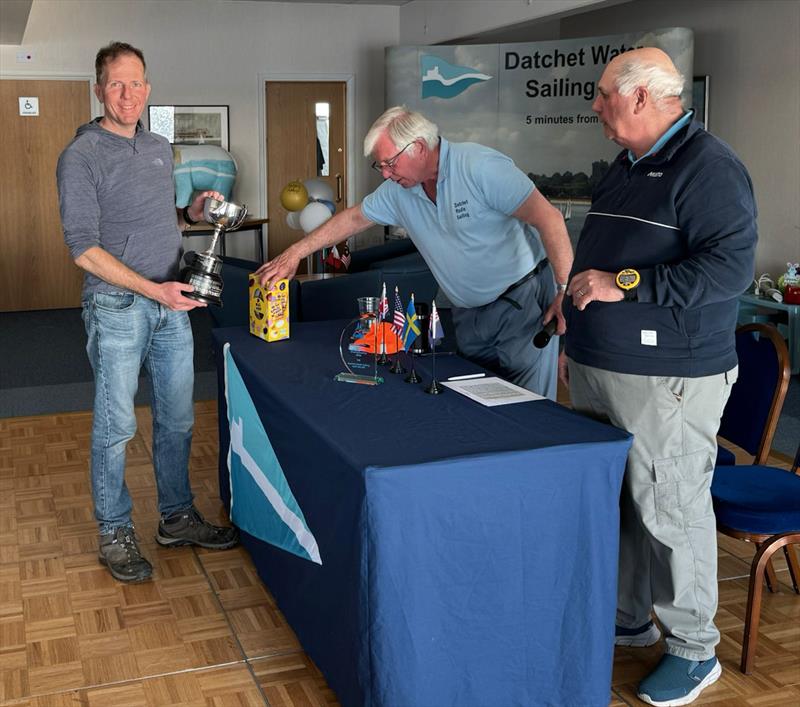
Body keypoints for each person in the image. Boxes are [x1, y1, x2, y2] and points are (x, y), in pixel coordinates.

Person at [560, 48, 757, 706]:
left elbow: (726, 272)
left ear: (640, 97)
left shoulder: (711, 167)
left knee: (671, 508)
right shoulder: (626, 163)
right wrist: (571, 306)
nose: (595, 106)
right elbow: (600, 254)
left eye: (602, 94)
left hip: (668, 376)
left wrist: (623, 284)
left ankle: (695, 649)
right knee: (622, 503)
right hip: (601, 366)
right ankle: (629, 615)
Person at [57, 41, 238, 584]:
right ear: (98, 89)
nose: (128, 94)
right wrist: (152, 292)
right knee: (116, 428)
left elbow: (164, 222)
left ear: (149, 89)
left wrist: (193, 211)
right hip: (117, 307)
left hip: (171, 304)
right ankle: (114, 530)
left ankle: (176, 517)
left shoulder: (160, 147)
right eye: (116, 84)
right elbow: (83, 248)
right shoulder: (81, 155)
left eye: (137, 83)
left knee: (179, 419)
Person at [257, 107, 573, 399]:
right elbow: (354, 218)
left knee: (529, 411)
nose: (384, 173)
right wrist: (296, 252)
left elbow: (550, 218)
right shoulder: (399, 191)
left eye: (389, 163)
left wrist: (563, 291)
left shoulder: (480, 167)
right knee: (480, 408)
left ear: (418, 147)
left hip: (522, 304)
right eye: (379, 165)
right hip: (468, 314)